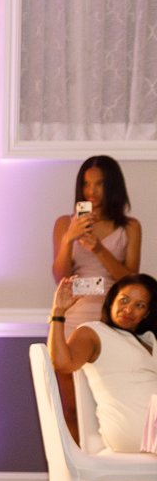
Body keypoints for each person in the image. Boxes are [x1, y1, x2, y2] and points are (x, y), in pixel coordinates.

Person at [51, 156, 141, 442]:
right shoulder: (65, 223)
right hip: (74, 311)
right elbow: (59, 274)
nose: (91, 191)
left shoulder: (129, 227)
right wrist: (69, 240)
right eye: (86, 184)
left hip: (113, 314)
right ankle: (78, 465)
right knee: (70, 404)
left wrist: (98, 248)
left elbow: (130, 278)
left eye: (99, 184)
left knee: (109, 401)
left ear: (112, 186)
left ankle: (110, 462)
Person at [47, 273, 157, 454]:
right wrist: (58, 311)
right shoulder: (94, 332)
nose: (128, 309)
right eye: (124, 300)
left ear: (147, 313)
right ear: (111, 301)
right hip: (136, 431)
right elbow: (62, 363)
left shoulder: (149, 339)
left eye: (139, 305)